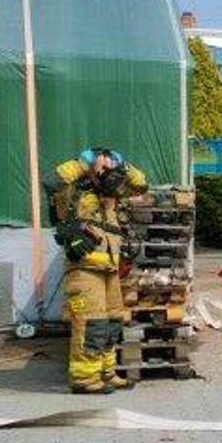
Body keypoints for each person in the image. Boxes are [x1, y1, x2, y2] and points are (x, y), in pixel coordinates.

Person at [50, 148, 149, 394]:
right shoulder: (73, 191)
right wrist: (86, 162)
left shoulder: (111, 194)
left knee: (112, 322)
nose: (112, 180)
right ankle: (85, 379)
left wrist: (122, 166)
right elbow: (52, 181)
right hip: (85, 269)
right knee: (91, 323)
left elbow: (141, 185)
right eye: (106, 172)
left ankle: (107, 373)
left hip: (109, 268)